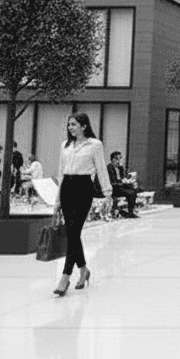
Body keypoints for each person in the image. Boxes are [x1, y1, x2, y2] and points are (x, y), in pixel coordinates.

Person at [53, 112, 111, 296]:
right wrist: (56, 200)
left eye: (74, 124)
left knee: (74, 230)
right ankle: (84, 269)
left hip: (83, 188)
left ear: (84, 126)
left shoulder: (95, 145)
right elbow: (61, 173)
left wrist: (108, 193)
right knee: (72, 232)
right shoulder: (65, 145)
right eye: (69, 124)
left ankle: (65, 276)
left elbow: (101, 169)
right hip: (67, 188)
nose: (70, 127)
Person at [106, 151, 139, 218]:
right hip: (113, 189)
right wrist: (123, 183)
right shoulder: (109, 168)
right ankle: (130, 212)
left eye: (120, 158)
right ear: (113, 159)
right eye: (118, 158)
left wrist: (128, 181)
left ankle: (130, 210)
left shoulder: (119, 168)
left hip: (119, 187)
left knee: (134, 188)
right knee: (130, 193)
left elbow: (122, 177)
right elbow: (113, 182)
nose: (120, 160)